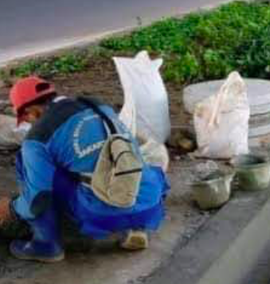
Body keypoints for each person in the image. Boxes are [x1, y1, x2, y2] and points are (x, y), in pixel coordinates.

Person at [0, 76, 170, 263]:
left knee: (29, 166)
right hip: (148, 202)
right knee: (122, 163)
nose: (28, 123)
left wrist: (12, 208)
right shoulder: (98, 106)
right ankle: (135, 227)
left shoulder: (37, 138)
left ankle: (46, 244)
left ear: (32, 110)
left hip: (101, 214)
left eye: (25, 118)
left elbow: (38, 200)